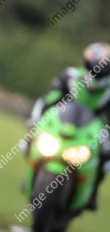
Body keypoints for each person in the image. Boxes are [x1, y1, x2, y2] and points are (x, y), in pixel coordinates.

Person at [27, 42, 110, 210]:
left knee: (106, 159)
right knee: (28, 143)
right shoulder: (70, 76)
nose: (97, 71)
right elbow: (49, 100)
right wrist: (36, 120)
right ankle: (31, 179)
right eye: (93, 65)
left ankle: (92, 193)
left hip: (94, 132)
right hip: (63, 125)